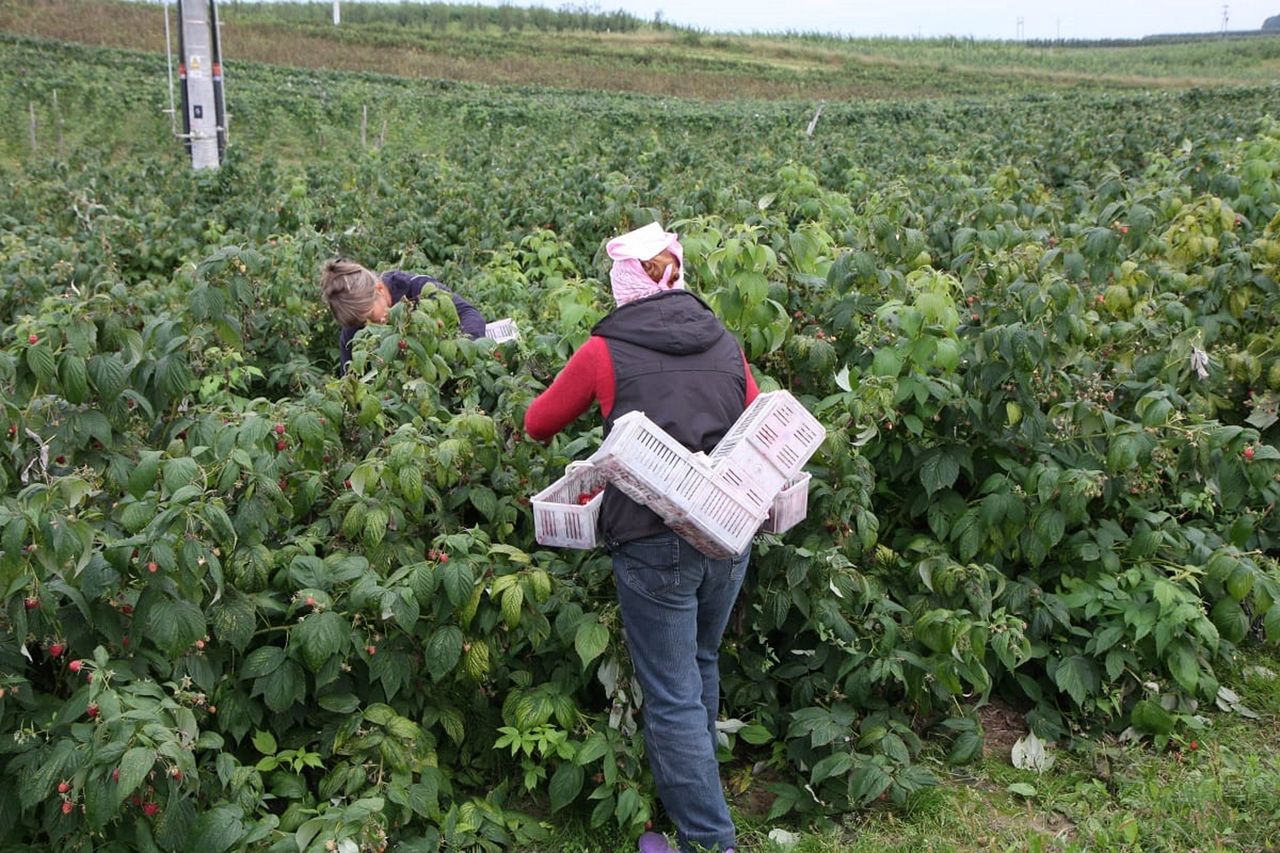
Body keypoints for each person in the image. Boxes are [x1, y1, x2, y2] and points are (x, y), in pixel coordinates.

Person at [524, 222, 757, 853]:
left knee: (672, 694)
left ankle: (709, 840)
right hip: (727, 529)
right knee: (701, 665)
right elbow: (755, 411)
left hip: (653, 540)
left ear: (622, 284)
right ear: (678, 274)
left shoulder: (605, 349)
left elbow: (537, 422)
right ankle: (701, 810)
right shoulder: (724, 340)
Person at [319, 258, 487, 373]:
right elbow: (350, 378)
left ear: (379, 289)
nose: (369, 325)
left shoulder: (418, 289)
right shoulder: (352, 331)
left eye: (370, 314)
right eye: (361, 323)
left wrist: (459, 354)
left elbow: (469, 314)